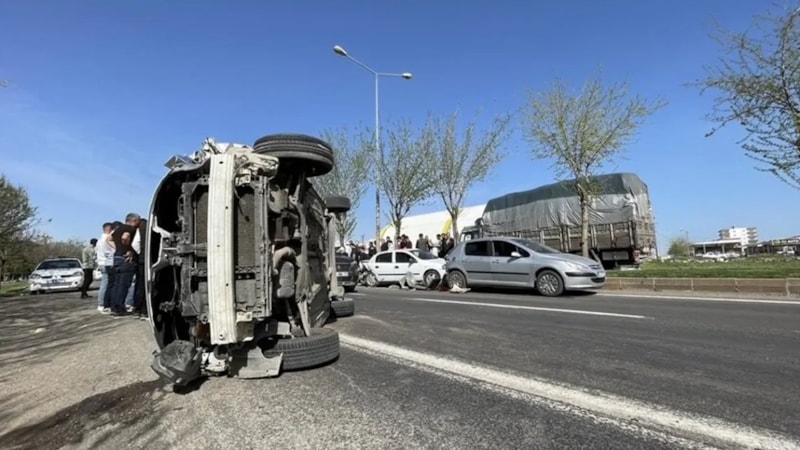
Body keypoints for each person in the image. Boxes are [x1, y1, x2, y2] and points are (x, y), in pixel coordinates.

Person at [108, 213, 141, 316]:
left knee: (117, 284)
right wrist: (128, 249)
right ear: (134, 220)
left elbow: (108, 239)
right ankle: (120, 309)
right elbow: (125, 237)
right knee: (123, 285)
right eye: (138, 221)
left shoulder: (118, 228)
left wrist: (118, 248)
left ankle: (113, 307)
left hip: (117, 257)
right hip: (125, 260)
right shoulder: (130, 229)